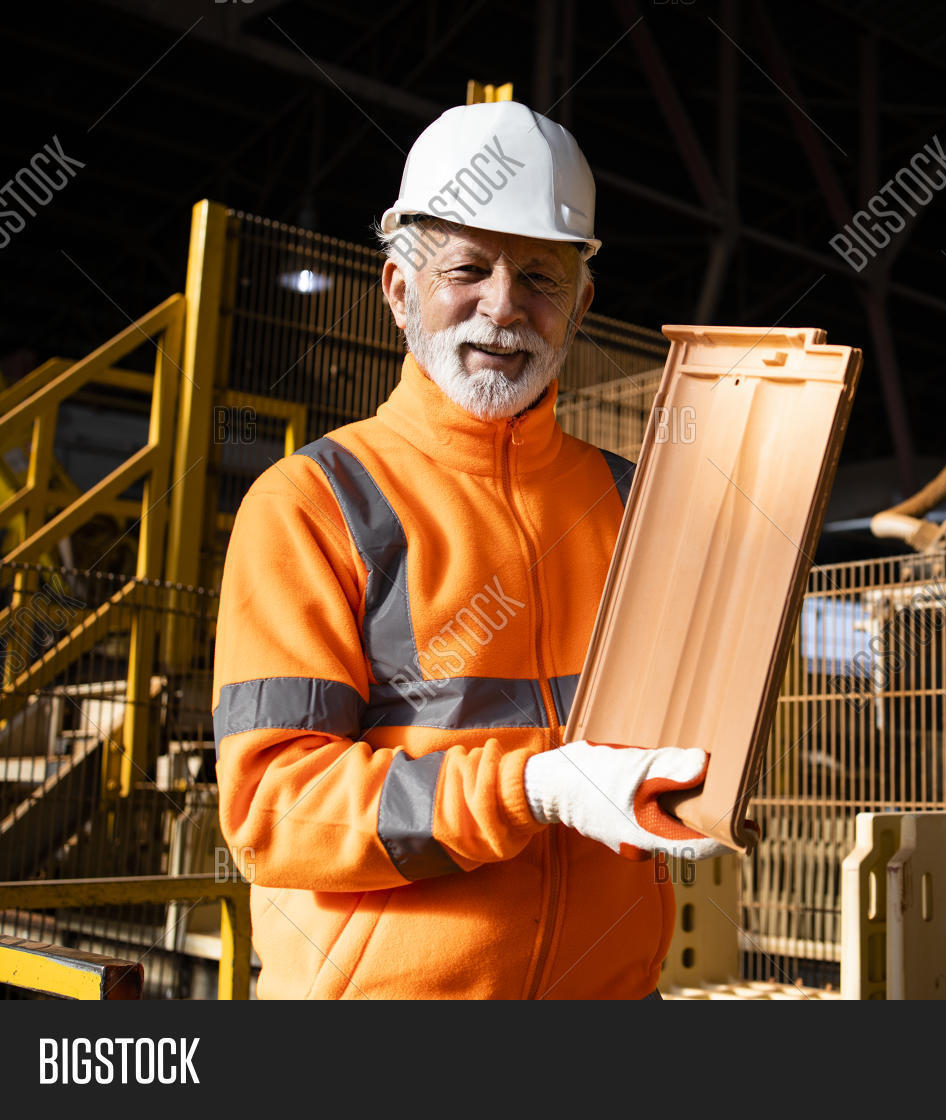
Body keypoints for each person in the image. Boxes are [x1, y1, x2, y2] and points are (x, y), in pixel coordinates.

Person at [213, 101, 726, 1000]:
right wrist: (530, 790)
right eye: (467, 269)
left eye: (539, 277)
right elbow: (275, 811)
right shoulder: (313, 503)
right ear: (399, 289)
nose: (503, 307)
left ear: (581, 305)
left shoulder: (634, 502)